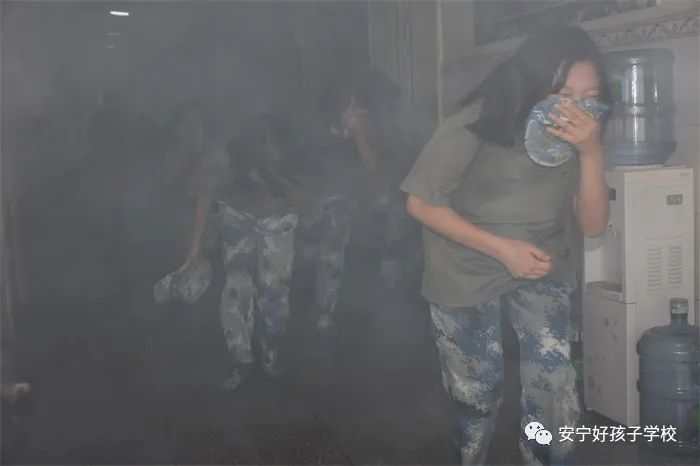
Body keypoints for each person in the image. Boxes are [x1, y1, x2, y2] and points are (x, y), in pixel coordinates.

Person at [400, 25, 611, 466]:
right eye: (563, 93)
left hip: (542, 263)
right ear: (532, 82)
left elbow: (593, 225)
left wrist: (591, 152)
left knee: (553, 386)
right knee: (476, 393)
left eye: (589, 96)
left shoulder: (583, 132)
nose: (576, 108)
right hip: (464, 263)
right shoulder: (482, 117)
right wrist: (502, 249)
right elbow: (420, 203)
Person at [186, 114, 308, 391]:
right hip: (236, 215)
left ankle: (271, 354)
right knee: (236, 287)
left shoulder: (288, 156)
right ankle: (241, 358)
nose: (271, 151)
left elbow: (306, 202)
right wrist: (194, 245)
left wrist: (281, 182)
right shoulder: (223, 156)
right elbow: (204, 194)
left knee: (274, 291)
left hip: (279, 218)